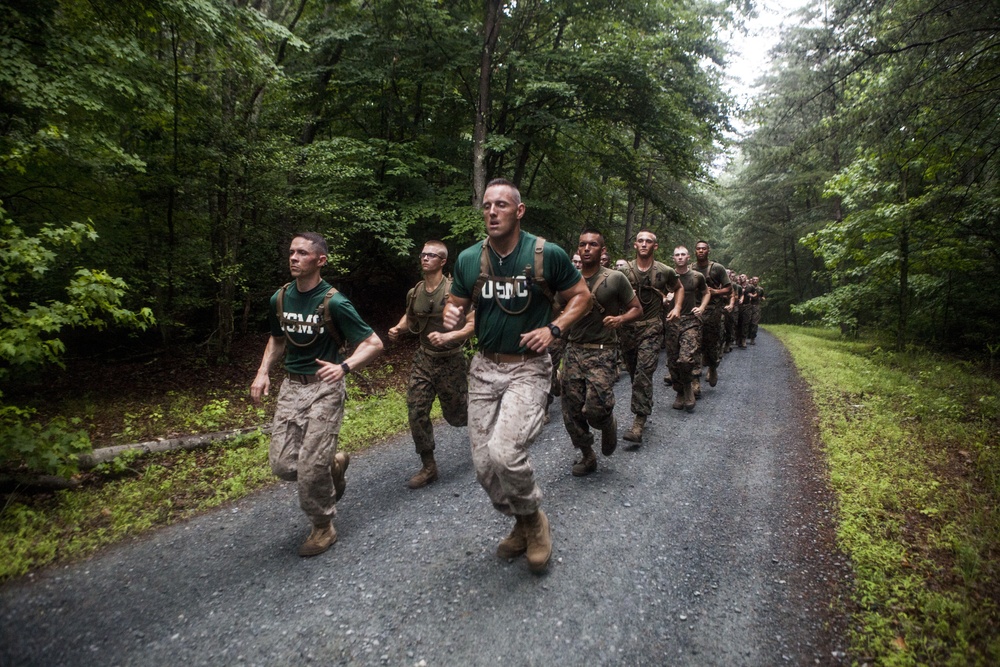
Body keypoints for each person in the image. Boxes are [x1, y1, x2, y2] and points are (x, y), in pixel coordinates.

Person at [443, 178, 590, 573]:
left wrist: (554, 329)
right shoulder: (470, 259)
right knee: (483, 466)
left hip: (528, 368)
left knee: (505, 453)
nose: (492, 212)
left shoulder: (547, 255)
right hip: (484, 369)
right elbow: (456, 302)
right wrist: (451, 313)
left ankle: (536, 522)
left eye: (501, 205)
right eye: (487, 205)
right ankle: (523, 521)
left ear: (519, 211)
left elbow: (582, 297)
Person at [251, 232, 384, 557]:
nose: (293, 258)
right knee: (282, 464)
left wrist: (345, 367)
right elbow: (277, 340)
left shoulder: (334, 302)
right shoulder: (279, 299)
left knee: (310, 467)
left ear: (320, 260)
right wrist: (263, 371)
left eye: (302, 253)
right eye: (291, 252)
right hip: (292, 387)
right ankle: (333, 466)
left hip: (326, 387)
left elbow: (374, 343)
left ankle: (323, 526)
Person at [388, 241, 475, 489]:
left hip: (451, 360)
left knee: (457, 416)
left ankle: (486, 424)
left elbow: (472, 323)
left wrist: (450, 336)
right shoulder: (415, 291)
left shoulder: (454, 291)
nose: (425, 258)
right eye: (423, 254)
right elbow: (411, 316)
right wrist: (398, 328)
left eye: (431, 255)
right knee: (416, 411)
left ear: (442, 261)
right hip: (424, 359)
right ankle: (429, 466)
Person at [560, 230, 641, 476]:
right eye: (582, 244)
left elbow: (636, 309)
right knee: (571, 410)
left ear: (602, 250)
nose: (587, 249)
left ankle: (607, 423)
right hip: (573, 350)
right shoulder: (567, 280)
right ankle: (587, 455)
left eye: (593, 244)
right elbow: (556, 311)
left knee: (595, 408)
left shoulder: (615, 278)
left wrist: (620, 319)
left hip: (603, 351)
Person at [619, 230, 683, 443]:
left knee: (643, 372)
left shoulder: (664, 271)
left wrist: (677, 307)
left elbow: (678, 287)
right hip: (627, 329)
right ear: (635, 245)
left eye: (649, 241)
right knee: (633, 370)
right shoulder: (623, 271)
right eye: (640, 241)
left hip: (652, 328)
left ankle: (638, 421)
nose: (644, 244)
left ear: (655, 246)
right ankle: (643, 400)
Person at [665, 245, 710, 412]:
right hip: (672, 322)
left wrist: (702, 307)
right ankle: (679, 392)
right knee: (672, 361)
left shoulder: (697, 276)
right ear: (673, 258)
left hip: (690, 321)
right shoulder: (667, 276)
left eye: (683, 254)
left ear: (688, 257)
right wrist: (665, 297)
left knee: (686, 358)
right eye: (677, 255)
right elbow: (655, 292)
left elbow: (706, 292)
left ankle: (689, 387)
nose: (680, 257)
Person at [692, 241, 732, 390]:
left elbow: (728, 289)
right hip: (695, 311)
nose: (701, 251)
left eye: (704, 248)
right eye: (698, 248)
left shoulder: (717, 268)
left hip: (713, 310)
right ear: (695, 251)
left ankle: (713, 367)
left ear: (708, 251)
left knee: (711, 344)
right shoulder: (690, 269)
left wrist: (715, 292)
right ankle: (695, 379)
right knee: (694, 344)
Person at [748, 276, 766, 344]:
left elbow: (762, 296)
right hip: (748, 306)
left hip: (756, 306)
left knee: (754, 322)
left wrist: (762, 298)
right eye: (754, 279)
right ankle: (742, 337)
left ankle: (752, 338)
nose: (755, 281)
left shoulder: (760, 289)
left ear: (758, 281)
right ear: (752, 280)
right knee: (746, 322)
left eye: (756, 280)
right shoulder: (748, 287)